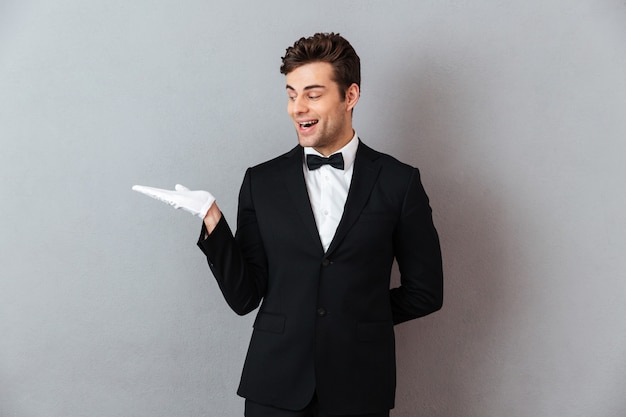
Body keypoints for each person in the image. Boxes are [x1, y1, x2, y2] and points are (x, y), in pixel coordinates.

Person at [133, 32, 443, 417]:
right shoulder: (261, 182)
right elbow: (246, 297)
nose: (297, 107)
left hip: (360, 388)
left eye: (312, 94)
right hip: (274, 387)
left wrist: (358, 317)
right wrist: (212, 217)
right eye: (291, 94)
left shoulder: (399, 182)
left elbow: (427, 292)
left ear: (350, 96)